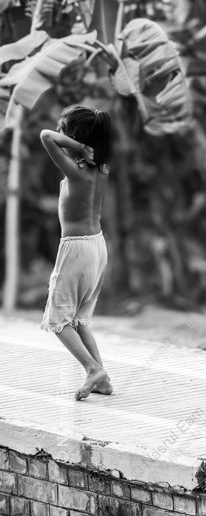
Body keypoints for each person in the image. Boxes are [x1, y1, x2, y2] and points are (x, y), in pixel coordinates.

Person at [40, 105, 113, 401]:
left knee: (57, 319)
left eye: (64, 130)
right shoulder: (102, 168)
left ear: (72, 137)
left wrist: (79, 148)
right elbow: (53, 135)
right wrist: (87, 148)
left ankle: (91, 367)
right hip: (98, 245)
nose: (59, 133)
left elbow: (46, 136)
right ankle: (103, 379)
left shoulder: (77, 171)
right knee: (79, 319)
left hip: (76, 247)